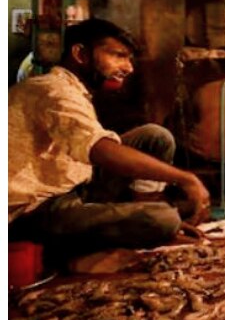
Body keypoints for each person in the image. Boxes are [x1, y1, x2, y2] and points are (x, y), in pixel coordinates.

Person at [9, 19, 211, 258]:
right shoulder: (52, 90)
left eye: (129, 58)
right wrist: (185, 178)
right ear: (80, 54)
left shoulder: (73, 89)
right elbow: (99, 149)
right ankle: (149, 223)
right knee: (163, 219)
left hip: (75, 186)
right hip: (35, 211)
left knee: (156, 137)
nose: (128, 67)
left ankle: (142, 214)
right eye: (118, 56)